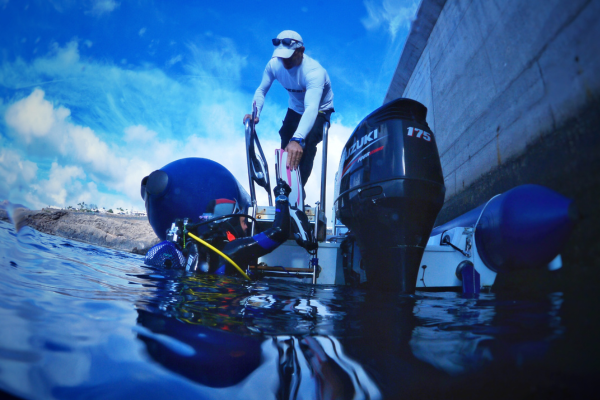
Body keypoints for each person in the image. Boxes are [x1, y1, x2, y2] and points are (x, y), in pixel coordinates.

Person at [244, 30, 334, 187]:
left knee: (307, 140)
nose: (284, 61)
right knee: (286, 137)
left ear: (301, 51)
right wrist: (255, 113)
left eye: (289, 55)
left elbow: (311, 108)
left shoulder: (314, 72)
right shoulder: (274, 64)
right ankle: (284, 188)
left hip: (319, 110)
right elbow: (261, 90)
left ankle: (298, 190)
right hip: (295, 108)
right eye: (281, 55)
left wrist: (298, 139)